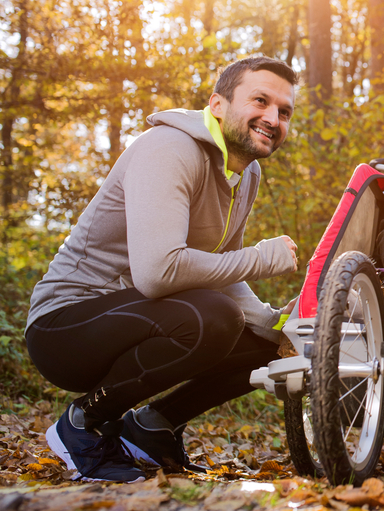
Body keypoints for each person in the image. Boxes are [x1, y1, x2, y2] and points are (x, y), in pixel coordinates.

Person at [25, 56, 301, 483]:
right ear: (218, 105)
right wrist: (264, 257)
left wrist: (276, 323)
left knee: (268, 342)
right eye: (260, 101)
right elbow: (157, 272)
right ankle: (83, 422)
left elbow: (223, 271)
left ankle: (152, 427)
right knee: (213, 316)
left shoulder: (246, 173)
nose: (272, 118)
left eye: (284, 111)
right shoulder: (169, 149)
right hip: (65, 326)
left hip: (140, 318)